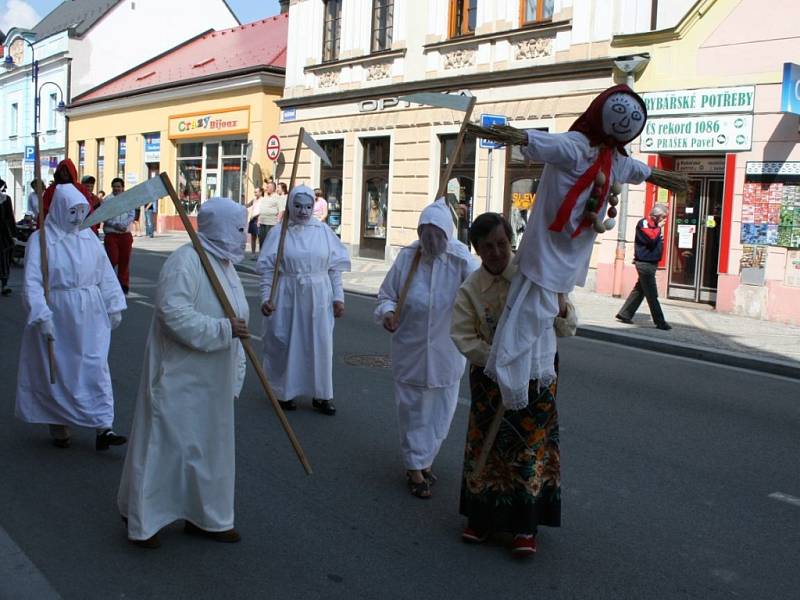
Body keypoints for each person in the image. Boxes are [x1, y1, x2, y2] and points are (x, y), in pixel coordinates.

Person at [470, 84, 685, 409]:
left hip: (568, 257)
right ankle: (515, 383)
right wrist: (519, 137)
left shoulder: (615, 161)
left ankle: (524, 381)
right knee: (526, 321)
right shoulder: (576, 147)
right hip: (546, 250)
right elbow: (544, 143)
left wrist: (655, 174)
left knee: (538, 322)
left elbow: (641, 171)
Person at [118, 197, 250, 549]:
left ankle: (206, 516)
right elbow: (172, 314)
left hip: (214, 378)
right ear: (220, 227)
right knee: (167, 445)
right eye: (238, 229)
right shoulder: (186, 261)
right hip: (180, 372)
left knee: (209, 450)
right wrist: (224, 330)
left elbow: (238, 317)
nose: (244, 236)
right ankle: (144, 517)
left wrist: (236, 366)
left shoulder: (224, 264)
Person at [451, 212, 577, 557]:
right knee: (486, 447)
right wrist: (499, 359)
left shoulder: (534, 279)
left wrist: (562, 307)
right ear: (476, 249)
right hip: (491, 378)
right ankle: (482, 518)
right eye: (488, 246)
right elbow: (462, 336)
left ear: (512, 242)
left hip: (536, 378)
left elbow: (566, 329)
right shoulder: (470, 289)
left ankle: (525, 526)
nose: (496, 252)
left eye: (502, 244)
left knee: (530, 450)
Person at [375, 198, 478, 499]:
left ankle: (426, 458)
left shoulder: (462, 261)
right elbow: (386, 296)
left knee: (441, 412)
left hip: (446, 352)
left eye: (438, 235)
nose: (431, 242)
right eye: (426, 235)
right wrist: (388, 313)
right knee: (412, 411)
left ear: (449, 233)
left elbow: (482, 294)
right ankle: (414, 467)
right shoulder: (408, 259)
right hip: (411, 350)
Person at [15, 182, 127, 449]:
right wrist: (41, 314)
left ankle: (104, 427)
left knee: (95, 366)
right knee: (59, 369)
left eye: (81, 211)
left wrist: (113, 304)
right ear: (60, 210)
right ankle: (59, 423)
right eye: (72, 212)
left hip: (90, 312)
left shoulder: (88, 238)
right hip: (58, 313)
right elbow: (32, 281)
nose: (77, 219)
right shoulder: (41, 241)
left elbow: (105, 275)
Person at [258, 184, 350, 415]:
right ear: (290, 206)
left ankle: (322, 393)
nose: (303, 211)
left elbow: (333, 269)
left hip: (319, 295)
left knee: (320, 344)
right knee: (288, 343)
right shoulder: (280, 233)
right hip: (288, 293)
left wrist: (338, 297)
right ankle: (284, 391)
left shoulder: (323, 232)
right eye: (298, 206)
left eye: (308, 206)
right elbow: (269, 270)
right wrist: (266, 298)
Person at [616, 203, 671, 330]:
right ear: (656, 216)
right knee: (652, 294)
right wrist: (659, 228)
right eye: (663, 217)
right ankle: (660, 322)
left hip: (651, 262)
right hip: (644, 263)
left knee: (640, 290)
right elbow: (651, 239)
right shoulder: (644, 223)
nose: (665, 220)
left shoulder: (655, 226)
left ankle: (624, 314)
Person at [103, 178, 135, 294]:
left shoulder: (128, 199)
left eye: (119, 187)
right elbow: (104, 217)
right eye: (115, 187)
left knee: (124, 261)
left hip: (125, 234)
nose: (117, 189)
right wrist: (115, 224)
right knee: (113, 259)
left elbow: (132, 214)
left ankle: (123, 284)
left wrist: (124, 224)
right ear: (112, 187)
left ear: (123, 187)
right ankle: (108, 283)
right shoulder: (107, 200)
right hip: (111, 234)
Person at [0, 179, 16, 296]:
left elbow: (10, 217)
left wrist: (14, 233)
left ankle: (4, 284)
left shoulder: (6, 200)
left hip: (3, 235)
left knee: (4, 259)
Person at [257, 181, 283, 249]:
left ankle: (269, 257)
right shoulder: (265, 197)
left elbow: (281, 210)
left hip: (271, 223)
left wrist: (278, 221)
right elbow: (262, 209)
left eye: (268, 187)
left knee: (270, 241)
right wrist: (259, 220)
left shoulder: (278, 197)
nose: (266, 188)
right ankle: (262, 255)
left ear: (272, 188)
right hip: (262, 222)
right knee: (262, 240)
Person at [246, 186, 263, 256]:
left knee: (260, 237)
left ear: (260, 192)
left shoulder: (263, 200)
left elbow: (262, 211)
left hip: (259, 219)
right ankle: (253, 253)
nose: (255, 193)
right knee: (253, 237)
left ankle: (260, 253)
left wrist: (256, 216)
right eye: (254, 192)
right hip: (252, 220)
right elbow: (247, 205)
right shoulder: (254, 199)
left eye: (256, 192)